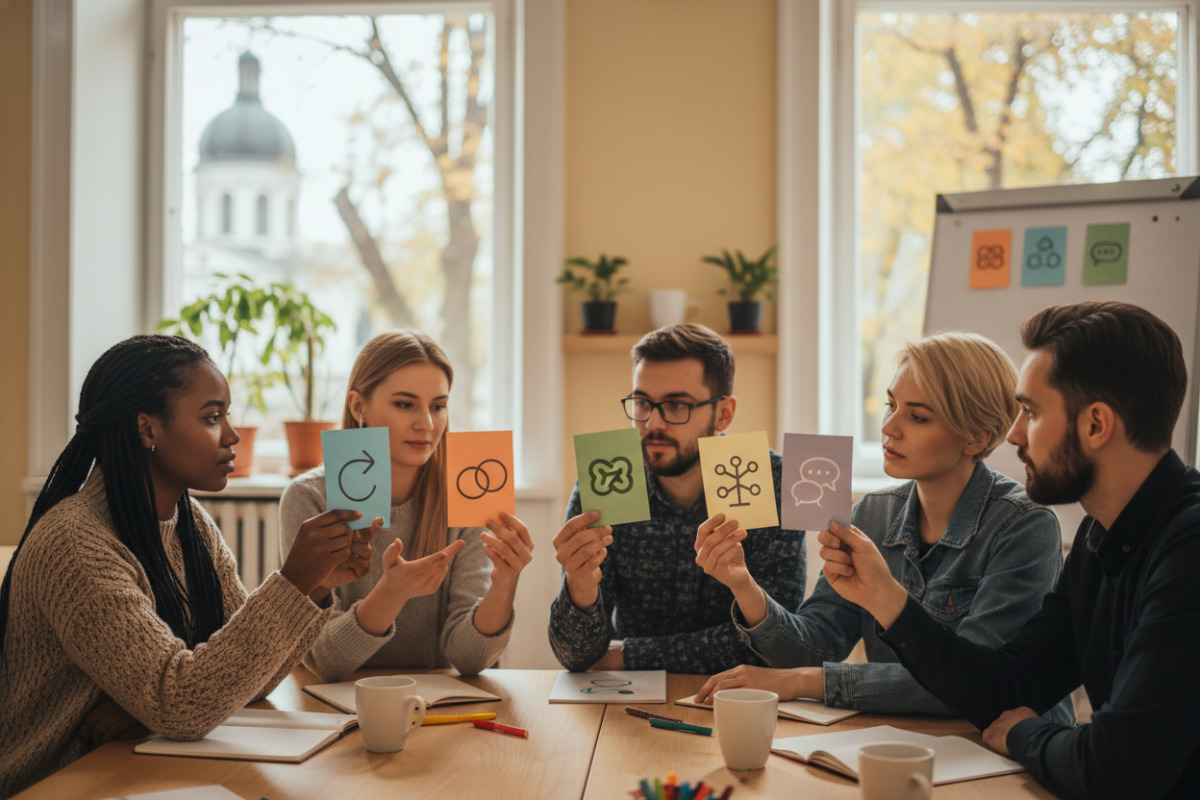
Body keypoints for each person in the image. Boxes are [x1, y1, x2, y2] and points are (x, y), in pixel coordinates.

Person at [819, 302, 1200, 799]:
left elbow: (1118, 769)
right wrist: (885, 597)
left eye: (1032, 412)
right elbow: (1005, 685)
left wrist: (1024, 733)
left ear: (1096, 425)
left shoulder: (1189, 551)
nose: (1014, 434)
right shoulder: (1099, 537)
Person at [0, 335, 368, 797]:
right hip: (57, 783)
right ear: (147, 429)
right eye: (212, 417)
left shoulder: (190, 524)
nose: (232, 435)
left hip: (145, 768)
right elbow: (181, 705)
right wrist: (291, 582)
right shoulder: (75, 545)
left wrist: (313, 587)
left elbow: (246, 684)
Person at [693, 332, 1073, 724]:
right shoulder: (871, 513)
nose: (889, 426)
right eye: (891, 405)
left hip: (1008, 750)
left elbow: (973, 682)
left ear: (976, 438)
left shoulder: (1024, 526)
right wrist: (743, 585)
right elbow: (816, 646)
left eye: (918, 417)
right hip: (903, 738)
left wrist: (807, 681)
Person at [547, 323, 806, 674]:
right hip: (630, 697)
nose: (653, 423)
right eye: (642, 403)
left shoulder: (773, 482)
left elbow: (777, 643)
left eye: (676, 405)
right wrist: (579, 586)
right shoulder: (606, 483)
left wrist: (628, 656)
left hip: (737, 695)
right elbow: (576, 656)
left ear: (724, 413)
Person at [280, 330, 533, 681]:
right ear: (358, 406)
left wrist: (504, 583)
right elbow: (324, 660)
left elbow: (469, 659)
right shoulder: (309, 497)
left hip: (430, 700)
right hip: (333, 700)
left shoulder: (468, 493)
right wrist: (392, 593)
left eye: (438, 406)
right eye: (404, 404)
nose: (426, 424)